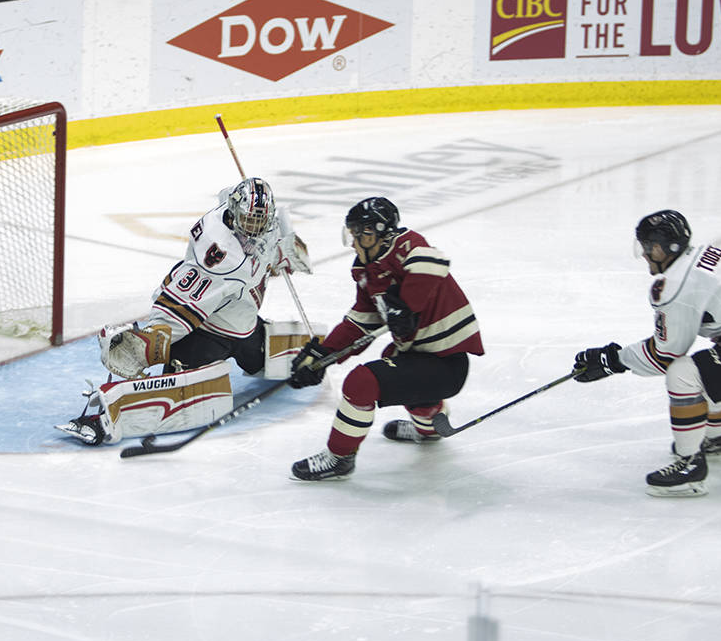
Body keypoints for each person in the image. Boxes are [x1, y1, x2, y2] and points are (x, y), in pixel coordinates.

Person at [56, 177, 312, 446]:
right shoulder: (223, 259)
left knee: (256, 354)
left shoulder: (237, 210)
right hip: (208, 336)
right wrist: (150, 339)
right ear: (234, 214)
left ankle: (255, 351)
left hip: (244, 325)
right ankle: (111, 413)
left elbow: (240, 206)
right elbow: (183, 303)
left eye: (260, 221)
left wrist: (284, 246)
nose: (255, 228)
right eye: (249, 221)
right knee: (177, 378)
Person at [572, 209, 721, 497]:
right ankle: (716, 438)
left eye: (646, 247)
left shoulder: (677, 285)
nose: (643, 255)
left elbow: (664, 355)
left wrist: (613, 360)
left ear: (660, 248)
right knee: (709, 367)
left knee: (683, 375)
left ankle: (690, 466)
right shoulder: (704, 255)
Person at [286, 196, 484, 481]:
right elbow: (359, 325)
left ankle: (339, 458)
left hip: (446, 364)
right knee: (393, 360)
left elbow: (433, 261)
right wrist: (322, 356)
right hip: (423, 361)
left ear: (378, 234)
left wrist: (407, 304)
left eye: (359, 235)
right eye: (351, 234)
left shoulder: (407, 247)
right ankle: (428, 426)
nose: (353, 243)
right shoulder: (369, 272)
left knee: (363, 381)